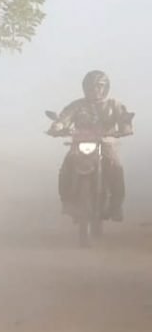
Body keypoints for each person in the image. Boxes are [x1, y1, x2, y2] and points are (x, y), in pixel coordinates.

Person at [47, 69, 134, 221]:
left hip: (106, 143)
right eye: (91, 86)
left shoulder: (114, 104)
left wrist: (125, 128)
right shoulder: (77, 105)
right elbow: (64, 118)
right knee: (66, 167)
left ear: (106, 87)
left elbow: (124, 119)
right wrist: (57, 126)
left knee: (116, 167)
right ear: (85, 87)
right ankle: (66, 202)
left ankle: (116, 206)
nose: (95, 89)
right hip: (79, 143)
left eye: (99, 86)